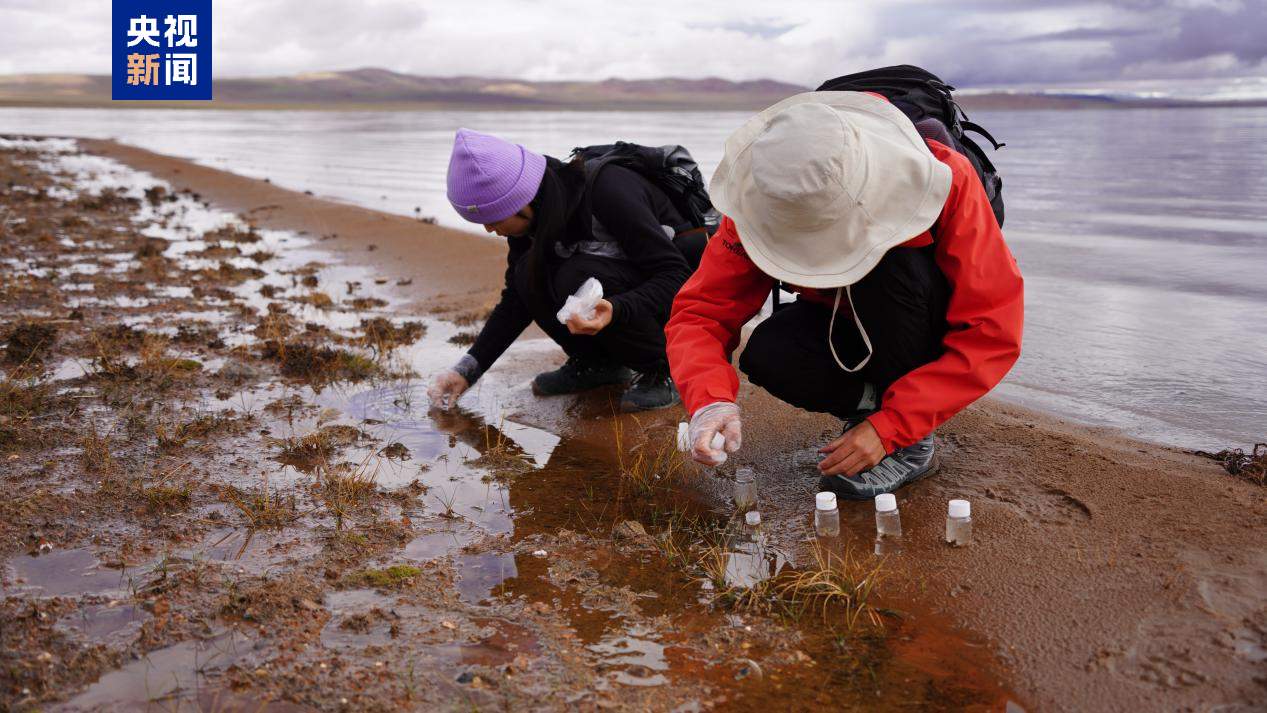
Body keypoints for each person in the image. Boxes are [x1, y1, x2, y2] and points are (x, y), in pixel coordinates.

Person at [665, 91, 1024, 499]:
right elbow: (701, 313)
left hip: (913, 318)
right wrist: (709, 401)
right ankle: (869, 409)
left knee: (898, 272)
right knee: (771, 353)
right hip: (842, 316)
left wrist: (893, 427)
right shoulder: (764, 194)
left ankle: (912, 439)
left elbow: (992, 330)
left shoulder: (944, 177)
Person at [428, 129, 691, 412]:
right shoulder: (533, 218)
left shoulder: (608, 190)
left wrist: (616, 308)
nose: (489, 229)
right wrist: (467, 370)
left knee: (577, 276)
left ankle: (664, 370)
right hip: (623, 291)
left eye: (494, 219)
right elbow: (517, 299)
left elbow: (677, 276)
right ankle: (598, 365)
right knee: (527, 274)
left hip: (679, 306)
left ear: (522, 202)